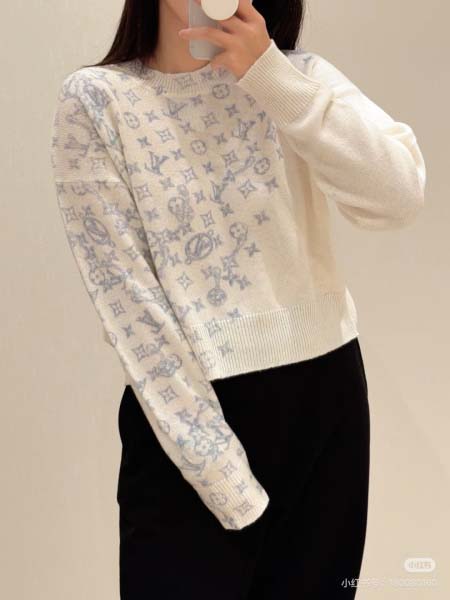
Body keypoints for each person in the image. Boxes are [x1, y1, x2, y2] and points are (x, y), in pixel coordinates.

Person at [49, 0, 426, 597]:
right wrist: (225, 479)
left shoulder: (294, 77)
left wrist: (269, 75)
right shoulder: (98, 100)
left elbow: (398, 196)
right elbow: (131, 309)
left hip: (326, 401)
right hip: (185, 423)